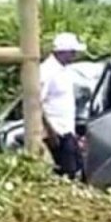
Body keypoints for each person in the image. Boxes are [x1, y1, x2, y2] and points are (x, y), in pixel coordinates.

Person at [39, 32, 87, 178]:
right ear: (63, 52)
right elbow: (36, 104)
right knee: (67, 171)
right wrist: (50, 132)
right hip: (56, 132)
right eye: (72, 52)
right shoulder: (46, 71)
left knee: (77, 167)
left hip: (67, 130)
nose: (74, 56)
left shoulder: (64, 70)